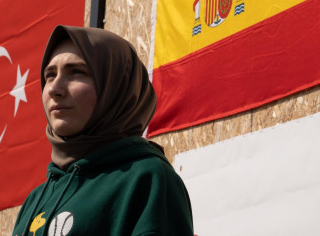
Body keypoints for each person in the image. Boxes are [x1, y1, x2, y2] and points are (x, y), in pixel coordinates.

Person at [12, 25, 194, 236]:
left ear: (116, 86)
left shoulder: (147, 179)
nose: (54, 89)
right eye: (50, 76)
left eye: (76, 72)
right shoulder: (36, 200)